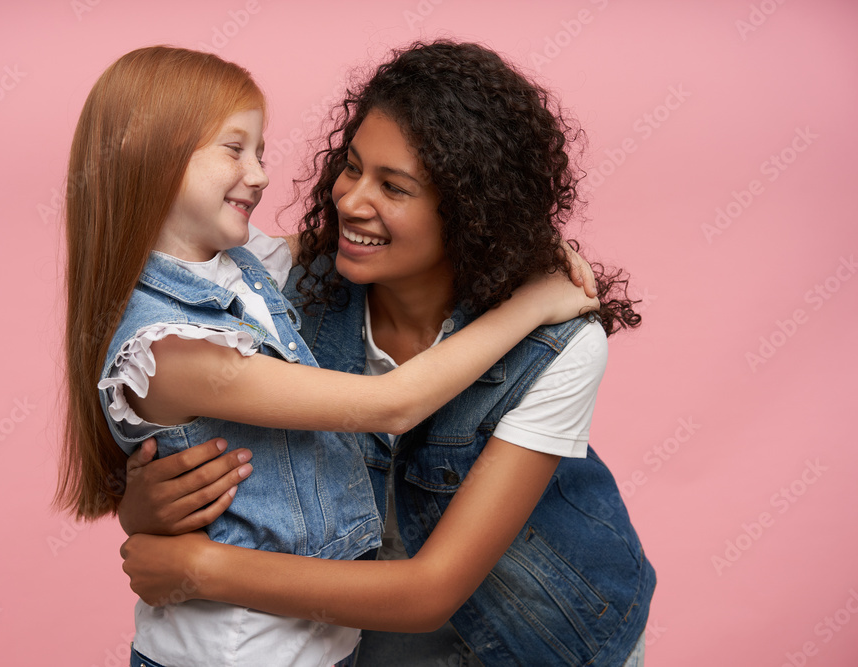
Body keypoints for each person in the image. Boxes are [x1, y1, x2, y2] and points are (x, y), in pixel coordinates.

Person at [54, 45, 599, 667]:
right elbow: (389, 404)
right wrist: (141, 510)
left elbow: (429, 592)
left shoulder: (562, 347)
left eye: (393, 186)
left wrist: (203, 566)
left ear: (471, 209)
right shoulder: (199, 327)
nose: (346, 201)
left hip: (534, 640)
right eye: (350, 168)